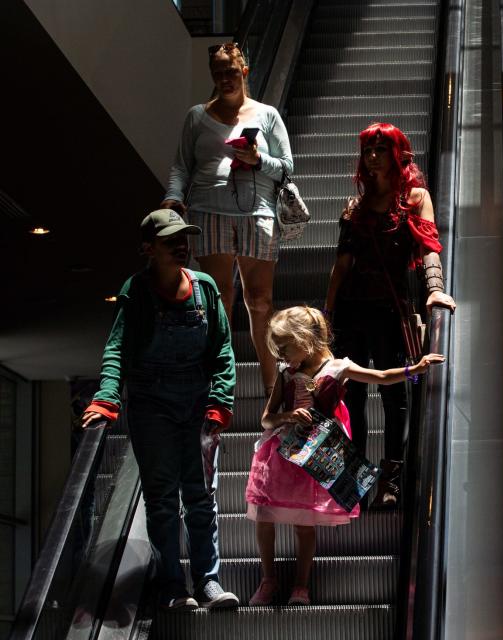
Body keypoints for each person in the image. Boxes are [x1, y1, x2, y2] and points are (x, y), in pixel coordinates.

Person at [80, 209, 238, 611]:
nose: (182, 246)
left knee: (201, 498)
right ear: (149, 249)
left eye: (184, 238)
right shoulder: (137, 290)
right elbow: (118, 348)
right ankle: (172, 585)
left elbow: (222, 348)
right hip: (152, 405)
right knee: (163, 499)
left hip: (198, 404)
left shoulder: (204, 287)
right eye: (172, 241)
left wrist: (221, 400)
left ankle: (208, 582)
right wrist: (107, 398)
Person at [245, 306, 444, 605]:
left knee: (304, 523)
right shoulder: (286, 371)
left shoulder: (338, 368)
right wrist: (287, 416)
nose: (280, 356)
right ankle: (268, 579)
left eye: (284, 348)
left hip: (317, 454)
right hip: (282, 454)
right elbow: (266, 419)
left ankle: (301, 586)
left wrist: (412, 370)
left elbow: (381, 375)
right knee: (264, 516)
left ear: (305, 340)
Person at [324, 123, 456, 508]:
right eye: (368, 150)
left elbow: (429, 243)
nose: (373, 156)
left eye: (381, 149)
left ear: (397, 154)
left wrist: (434, 288)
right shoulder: (355, 208)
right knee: (352, 394)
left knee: (394, 396)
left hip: (391, 311)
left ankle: (392, 478)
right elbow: (341, 265)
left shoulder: (415, 198)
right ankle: (356, 479)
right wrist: (327, 315)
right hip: (352, 312)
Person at [161, 41, 293, 397]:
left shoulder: (266, 115)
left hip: (258, 212)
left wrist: (257, 159)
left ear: (244, 71)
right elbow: (181, 166)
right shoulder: (197, 116)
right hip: (208, 211)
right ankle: (219, 390)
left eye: (231, 72)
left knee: (260, 301)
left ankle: (272, 390)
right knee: (216, 299)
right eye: (218, 74)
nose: (225, 79)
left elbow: (286, 167)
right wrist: (173, 198)